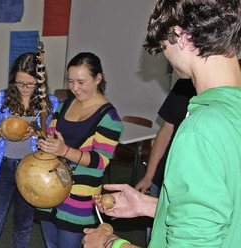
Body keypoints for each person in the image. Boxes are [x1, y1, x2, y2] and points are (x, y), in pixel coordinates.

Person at [83, 0, 241, 247]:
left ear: (180, 36)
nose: (167, 57)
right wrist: (149, 205)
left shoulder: (200, 130)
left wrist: (109, 243)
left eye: (164, 46)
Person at [36, 52, 123, 247]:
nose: (75, 88)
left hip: (78, 198)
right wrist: (44, 140)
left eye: (81, 82)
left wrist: (64, 150)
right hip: (50, 187)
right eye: (70, 81)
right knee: (51, 244)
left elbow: (100, 161)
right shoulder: (65, 105)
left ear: (98, 79)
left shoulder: (109, 117)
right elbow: (52, 133)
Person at [0, 52, 59, 248]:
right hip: (3, 168)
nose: (24, 88)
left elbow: (53, 137)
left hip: (31, 171)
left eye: (30, 84)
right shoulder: (2, 98)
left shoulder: (49, 103)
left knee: (23, 226)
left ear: (40, 82)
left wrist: (36, 132)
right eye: (19, 83)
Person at [133, 78, 196, 243]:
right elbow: (166, 130)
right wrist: (149, 176)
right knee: (154, 237)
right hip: (163, 180)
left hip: (193, 189)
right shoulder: (185, 84)